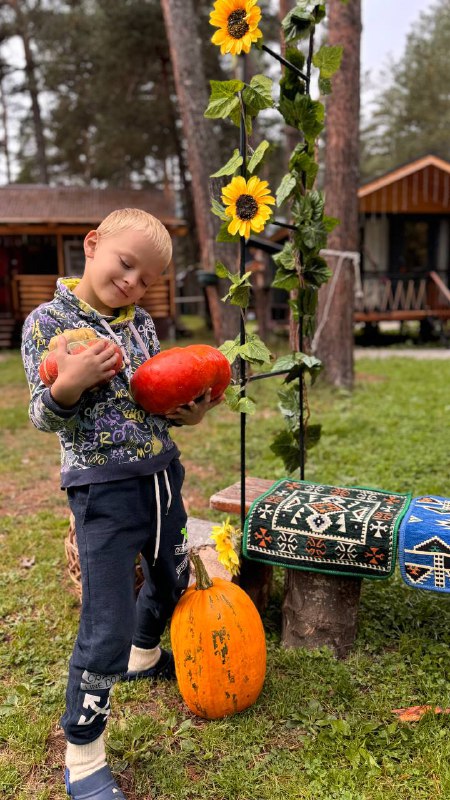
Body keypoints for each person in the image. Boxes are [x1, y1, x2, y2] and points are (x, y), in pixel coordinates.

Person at [21, 208, 222, 800]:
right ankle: (83, 755)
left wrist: (193, 409)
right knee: (104, 621)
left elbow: (154, 397)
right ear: (92, 245)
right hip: (103, 489)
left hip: (161, 475)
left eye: (146, 277)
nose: (132, 282)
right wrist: (69, 382)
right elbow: (41, 413)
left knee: (173, 576)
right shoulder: (49, 323)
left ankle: (144, 653)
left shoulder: (139, 325)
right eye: (125, 264)